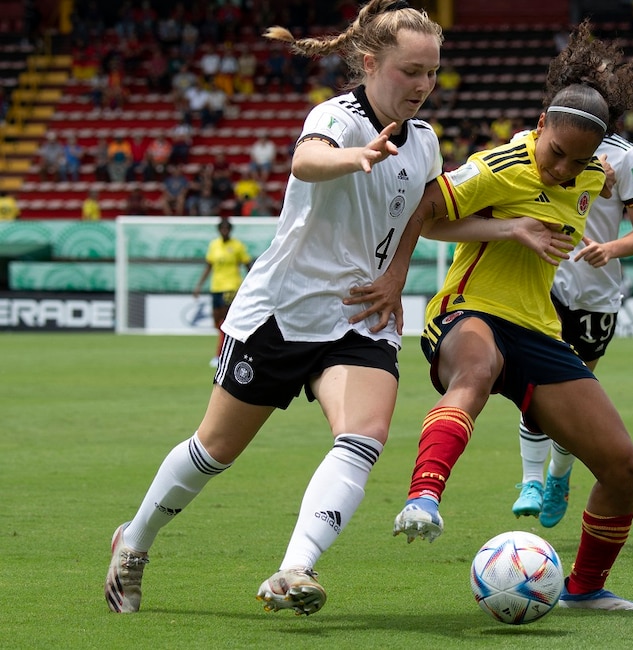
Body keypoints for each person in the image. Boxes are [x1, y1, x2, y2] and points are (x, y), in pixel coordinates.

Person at [104, 0, 443, 616]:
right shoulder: (336, 118)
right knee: (215, 450)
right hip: (282, 313)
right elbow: (307, 160)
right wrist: (356, 156)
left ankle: (296, 568)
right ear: (370, 63)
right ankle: (134, 540)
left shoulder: (424, 141)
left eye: (432, 72)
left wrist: (397, 274)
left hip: (359, 315)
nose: (423, 85)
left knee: (364, 435)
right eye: (411, 70)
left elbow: (419, 211)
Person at [390, 19, 633, 611]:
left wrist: (594, 176)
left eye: (579, 160)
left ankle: (585, 590)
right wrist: (509, 227)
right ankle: (424, 496)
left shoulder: (593, 173)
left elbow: (599, 182)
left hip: (538, 330)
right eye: (557, 153)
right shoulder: (498, 165)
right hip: (469, 311)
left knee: (624, 467)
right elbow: (424, 216)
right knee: (475, 372)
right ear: (540, 125)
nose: (563, 169)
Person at [511, 124, 633, 528]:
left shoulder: (624, 155)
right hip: (544, 281)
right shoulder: (530, 141)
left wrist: (609, 249)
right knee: (537, 385)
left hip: (597, 295)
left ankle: (558, 475)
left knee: (572, 402)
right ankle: (531, 480)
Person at [193, 219, 253, 368]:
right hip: (216, 288)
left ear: (230, 230)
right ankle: (226, 349)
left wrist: (253, 284)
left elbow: (248, 265)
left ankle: (220, 354)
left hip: (231, 287)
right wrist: (199, 285)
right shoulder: (214, 245)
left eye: (227, 229)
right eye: (222, 229)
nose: (225, 231)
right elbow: (209, 266)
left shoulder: (237, 246)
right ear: (219, 230)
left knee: (224, 322)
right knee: (217, 321)